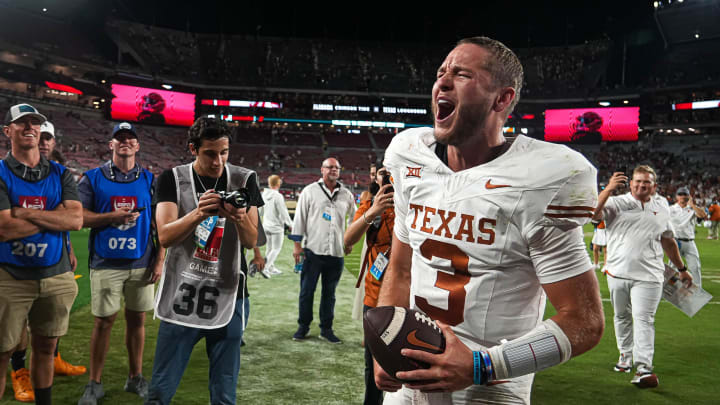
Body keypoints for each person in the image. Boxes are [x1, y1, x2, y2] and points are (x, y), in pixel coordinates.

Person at [374, 37, 605, 404]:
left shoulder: (542, 177)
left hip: (489, 388)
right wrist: (385, 343)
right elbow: (401, 269)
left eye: (462, 74)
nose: (442, 82)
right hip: (411, 378)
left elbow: (585, 320)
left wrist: (482, 366)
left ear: (502, 99)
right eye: (441, 73)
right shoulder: (409, 157)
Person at [145, 117, 263, 405]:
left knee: (224, 391)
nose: (218, 161)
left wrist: (238, 217)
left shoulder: (245, 179)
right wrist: (198, 213)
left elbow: (251, 240)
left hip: (229, 292)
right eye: (210, 153)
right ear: (193, 149)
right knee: (161, 387)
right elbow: (165, 236)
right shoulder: (172, 178)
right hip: (183, 291)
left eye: (224, 152)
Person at [0, 103, 83, 405]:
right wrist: (53, 215)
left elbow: (75, 220)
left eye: (34, 123)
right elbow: (4, 229)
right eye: (21, 123)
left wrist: (22, 213)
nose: (29, 128)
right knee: (2, 352)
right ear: (8, 131)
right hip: (9, 275)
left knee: (47, 347)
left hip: (55, 274)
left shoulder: (61, 173)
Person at [77, 122, 165, 405]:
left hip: (141, 260)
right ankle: (95, 383)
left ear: (138, 146)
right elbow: (77, 217)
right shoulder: (92, 178)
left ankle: (135, 377)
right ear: (111, 145)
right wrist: (110, 217)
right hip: (105, 262)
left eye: (130, 139)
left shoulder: (150, 179)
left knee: (137, 319)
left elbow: (160, 223)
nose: (125, 142)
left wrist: (160, 259)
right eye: (120, 138)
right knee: (104, 322)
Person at [594, 167, 692, 389]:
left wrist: (682, 268)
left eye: (646, 183)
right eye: (637, 182)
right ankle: (625, 356)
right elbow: (593, 214)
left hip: (650, 274)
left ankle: (644, 367)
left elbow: (667, 240)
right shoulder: (616, 202)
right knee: (621, 316)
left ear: (654, 186)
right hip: (617, 271)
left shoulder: (662, 205)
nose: (641, 186)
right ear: (631, 184)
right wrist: (608, 188)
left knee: (644, 319)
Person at [291, 157, 356, 344]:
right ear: (322, 170)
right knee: (307, 291)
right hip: (313, 250)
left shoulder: (346, 194)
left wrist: (350, 239)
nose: (333, 170)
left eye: (336, 167)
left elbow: (354, 218)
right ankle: (303, 326)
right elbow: (299, 219)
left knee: (330, 293)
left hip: (336, 252)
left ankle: (326, 329)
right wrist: (297, 245)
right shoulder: (310, 191)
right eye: (330, 167)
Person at [344, 166, 395, 405]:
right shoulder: (372, 205)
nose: (386, 178)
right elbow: (348, 239)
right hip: (375, 296)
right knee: (373, 365)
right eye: (382, 173)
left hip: (410, 297)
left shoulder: (415, 203)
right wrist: (375, 208)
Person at [668, 186, 706, 287]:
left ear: (689, 196)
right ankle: (670, 288)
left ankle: (698, 289)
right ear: (676, 197)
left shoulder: (693, 209)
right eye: (680, 194)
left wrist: (692, 205)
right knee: (672, 267)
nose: (682, 196)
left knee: (695, 266)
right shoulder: (670, 209)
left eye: (685, 194)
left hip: (690, 242)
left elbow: (703, 215)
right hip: (675, 241)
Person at [260, 174, 292, 275]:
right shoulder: (278, 196)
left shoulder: (263, 194)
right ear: (278, 183)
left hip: (266, 225)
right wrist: (290, 224)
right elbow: (283, 212)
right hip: (277, 227)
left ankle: (271, 268)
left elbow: (260, 211)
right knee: (276, 249)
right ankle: (265, 268)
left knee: (269, 249)